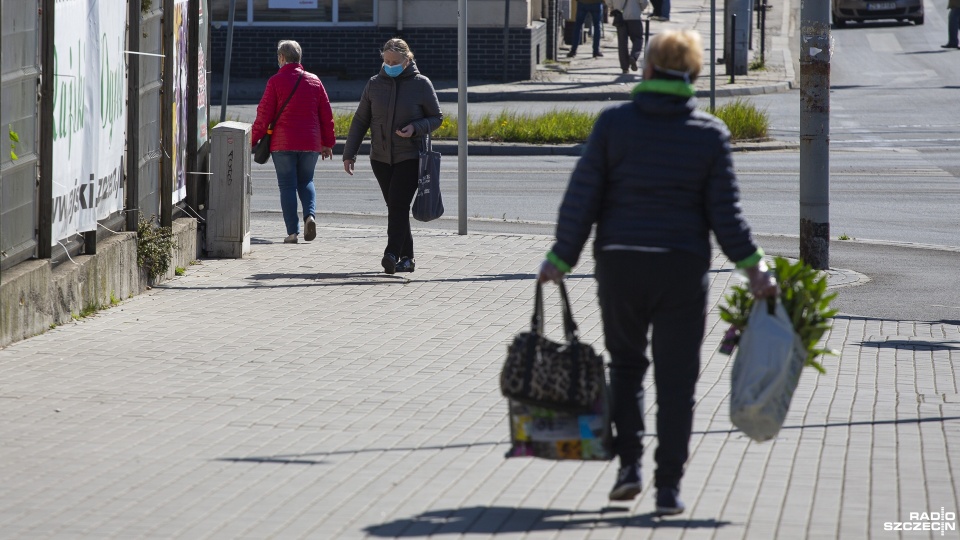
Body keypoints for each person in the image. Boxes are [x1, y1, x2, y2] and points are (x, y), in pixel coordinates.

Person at [537, 29, 778, 516]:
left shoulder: (613, 124)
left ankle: (629, 468)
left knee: (626, 368)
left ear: (647, 69)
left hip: (621, 264)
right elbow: (725, 216)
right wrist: (755, 268)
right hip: (681, 269)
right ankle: (668, 488)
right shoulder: (709, 134)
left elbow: (582, 198)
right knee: (677, 380)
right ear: (692, 73)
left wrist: (561, 258)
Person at [342, 38, 443, 274]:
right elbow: (360, 121)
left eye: (394, 62)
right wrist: (349, 154)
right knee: (396, 207)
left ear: (407, 60)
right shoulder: (374, 84)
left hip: (409, 155)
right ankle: (407, 258)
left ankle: (391, 253)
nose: (389, 65)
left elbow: (436, 118)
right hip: (380, 157)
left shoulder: (421, 84)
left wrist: (415, 128)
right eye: (386, 61)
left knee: (397, 204)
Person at [251, 40, 335, 244]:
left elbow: (264, 115)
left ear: (281, 58)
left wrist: (251, 140)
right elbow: (326, 114)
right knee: (306, 181)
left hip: (283, 143)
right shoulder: (315, 81)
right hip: (310, 142)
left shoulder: (275, 81)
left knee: (287, 186)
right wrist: (328, 143)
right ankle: (310, 217)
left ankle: (292, 233)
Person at [614, 0, 649, 73]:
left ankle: (624, 67)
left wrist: (614, 7)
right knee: (638, 39)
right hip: (634, 16)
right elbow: (644, 2)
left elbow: (608, 2)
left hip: (619, 17)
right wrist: (640, 8)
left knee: (622, 43)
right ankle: (633, 56)